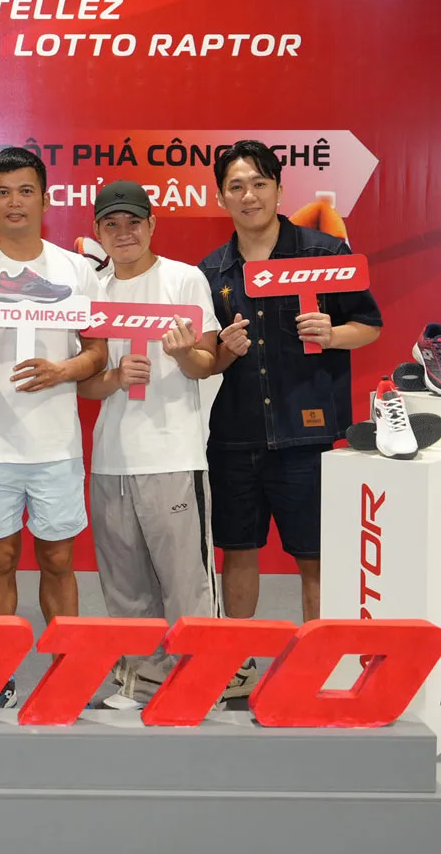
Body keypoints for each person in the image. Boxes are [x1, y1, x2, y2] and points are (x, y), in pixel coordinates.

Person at [0, 147, 106, 709]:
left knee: (59, 561)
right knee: (0, 560)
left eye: (26, 191)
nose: (15, 202)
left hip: (56, 446)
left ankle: (66, 675)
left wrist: (63, 370)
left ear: (45, 199)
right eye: (4, 192)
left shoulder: (77, 270)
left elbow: (98, 353)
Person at [199, 140, 382, 658]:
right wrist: (224, 351)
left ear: (279, 190)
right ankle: (235, 665)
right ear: (221, 197)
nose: (249, 196)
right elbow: (205, 359)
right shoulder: (209, 272)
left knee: (315, 557)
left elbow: (370, 325)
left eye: (259, 183)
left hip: (308, 437)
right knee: (237, 553)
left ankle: (317, 667)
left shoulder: (326, 253)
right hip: (234, 438)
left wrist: (332, 333)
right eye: (236, 186)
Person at [77, 181, 220, 709]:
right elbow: (85, 385)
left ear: (152, 224)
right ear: (97, 232)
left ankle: (199, 683)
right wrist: (115, 378)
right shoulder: (93, 291)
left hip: (173, 455)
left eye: (133, 222)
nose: (123, 233)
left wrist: (183, 354)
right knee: (126, 585)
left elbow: (207, 362)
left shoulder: (184, 279)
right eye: (111, 224)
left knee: (187, 584)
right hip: (112, 460)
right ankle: (140, 683)